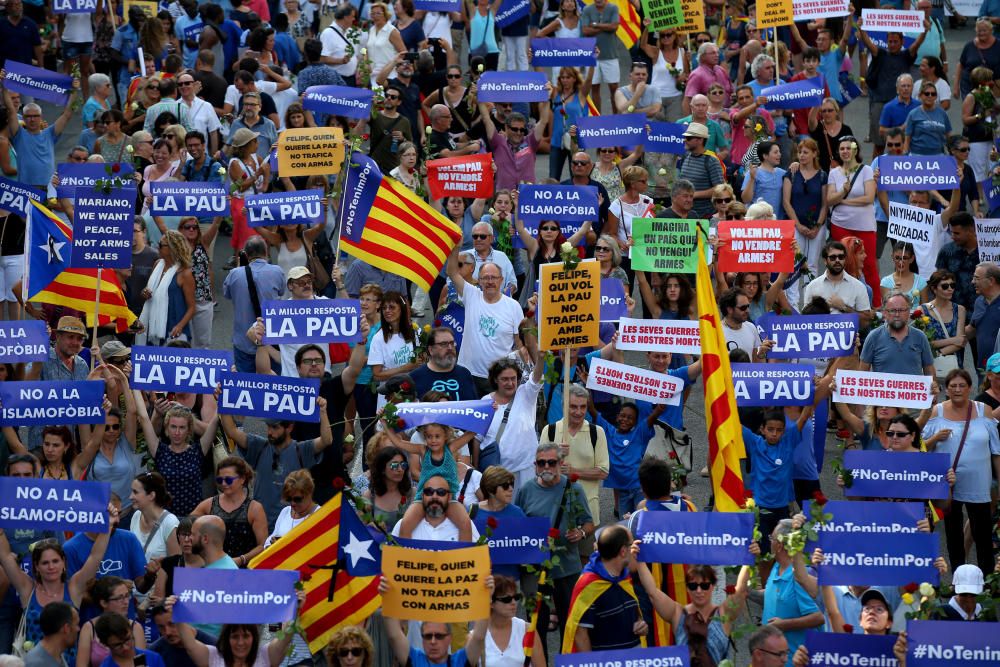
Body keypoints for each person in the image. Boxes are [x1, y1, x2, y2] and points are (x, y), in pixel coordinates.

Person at [515, 443, 594, 647]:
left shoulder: (574, 489)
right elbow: (518, 525)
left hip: (566, 568)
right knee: (536, 623)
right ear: (535, 465)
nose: (546, 467)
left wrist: (581, 532)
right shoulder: (526, 490)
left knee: (569, 624)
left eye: (551, 462)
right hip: (535, 568)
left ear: (560, 463)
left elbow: (588, 521)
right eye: (542, 463)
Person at [922, 368, 1000, 574]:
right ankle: (958, 580)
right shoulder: (936, 412)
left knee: (982, 534)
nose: (957, 389)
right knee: (953, 535)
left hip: (979, 484)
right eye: (953, 386)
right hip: (948, 485)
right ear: (946, 390)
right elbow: (920, 448)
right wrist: (935, 438)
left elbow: (996, 451)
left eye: (962, 385)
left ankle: (987, 583)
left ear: (970, 388)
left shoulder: (984, 410)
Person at [0, 512, 112, 655]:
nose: (51, 567)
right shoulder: (28, 589)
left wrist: (107, 526)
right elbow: (5, 557)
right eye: (45, 563)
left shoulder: (74, 588)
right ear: (37, 567)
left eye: (55, 561)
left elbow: (96, 555)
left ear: (64, 563)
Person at [219, 391, 332, 529]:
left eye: (275, 427)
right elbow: (231, 431)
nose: (269, 432)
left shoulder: (301, 450)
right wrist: (222, 401)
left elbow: (327, 440)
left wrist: (323, 412)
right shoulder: (259, 446)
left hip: (291, 525)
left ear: (289, 427)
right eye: (268, 427)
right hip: (260, 525)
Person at [446, 244, 524, 397]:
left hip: (498, 378)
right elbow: (451, 272)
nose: (490, 281)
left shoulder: (513, 306)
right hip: (468, 374)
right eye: (485, 278)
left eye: (494, 277)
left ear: (501, 280)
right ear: (479, 281)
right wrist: (456, 246)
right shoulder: (471, 294)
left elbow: (519, 343)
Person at [562, 525, 645, 653]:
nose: (634, 547)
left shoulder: (624, 577)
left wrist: (641, 624)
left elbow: (634, 614)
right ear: (623, 551)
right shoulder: (589, 584)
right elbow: (580, 634)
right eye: (631, 544)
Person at [538, 385, 608, 523]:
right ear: (564, 406)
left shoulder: (597, 432)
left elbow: (603, 472)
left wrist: (574, 472)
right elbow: (540, 471)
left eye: (583, 407)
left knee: (586, 544)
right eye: (573, 407)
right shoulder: (550, 430)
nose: (579, 412)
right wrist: (555, 457)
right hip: (555, 508)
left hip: (587, 510)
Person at [825, 137, 880, 307]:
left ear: (855, 150)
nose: (845, 152)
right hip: (840, 225)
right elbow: (829, 199)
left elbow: (869, 198)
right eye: (842, 149)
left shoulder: (866, 170)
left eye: (849, 148)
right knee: (844, 263)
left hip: (865, 226)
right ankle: (847, 303)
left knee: (869, 264)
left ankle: (876, 305)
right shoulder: (834, 173)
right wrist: (843, 191)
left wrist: (845, 201)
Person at [2, 76, 79, 190]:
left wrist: (74, 91)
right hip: (25, 188)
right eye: (28, 116)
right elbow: (11, 110)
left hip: (48, 187)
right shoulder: (18, 134)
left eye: (35, 116)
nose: (32, 119)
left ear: (41, 117)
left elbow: (67, 114)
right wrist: (3, 85)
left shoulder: (50, 133)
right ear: (23, 117)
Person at [190, 457, 268, 568]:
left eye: (228, 480)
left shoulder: (254, 508)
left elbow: (263, 545)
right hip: (214, 568)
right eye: (219, 480)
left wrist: (242, 559)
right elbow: (187, 526)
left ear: (242, 479)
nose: (224, 483)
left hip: (244, 570)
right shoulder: (208, 504)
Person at [223, 236, 285, 373]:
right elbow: (281, 291)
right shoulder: (277, 271)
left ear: (246, 254)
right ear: (266, 252)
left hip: (243, 341)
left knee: (245, 385)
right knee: (272, 384)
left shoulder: (234, 274)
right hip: (270, 341)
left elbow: (227, 294)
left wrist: (239, 267)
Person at [859, 293, 935, 377]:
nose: (897, 315)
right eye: (892, 310)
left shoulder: (920, 336)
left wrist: (933, 386)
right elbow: (863, 372)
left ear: (909, 312)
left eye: (901, 310)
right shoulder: (874, 337)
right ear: (884, 313)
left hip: (912, 390)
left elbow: (929, 368)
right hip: (884, 390)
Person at [479, 104, 550, 192]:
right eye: (515, 129)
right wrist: (480, 98)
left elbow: (543, 121)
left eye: (522, 130)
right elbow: (486, 120)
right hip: (504, 198)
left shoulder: (531, 142)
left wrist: (546, 100)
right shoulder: (498, 142)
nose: (519, 133)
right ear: (506, 128)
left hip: (527, 194)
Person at [409, 327, 478, 402]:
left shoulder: (464, 373)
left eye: (452, 343)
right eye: (443, 344)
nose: (450, 348)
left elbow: (474, 405)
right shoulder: (415, 377)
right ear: (431, 350)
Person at [128, 472, 180, 563]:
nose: (130, 497)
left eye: (135, 492)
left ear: (151, 495)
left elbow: (176, 565)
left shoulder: (170, 522)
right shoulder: (136, 516)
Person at [580, 0, 620, 112]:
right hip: (592, 57)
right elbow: (585, 30)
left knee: (614, 88)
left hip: (610, 55)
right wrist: (606, 27)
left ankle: (616, 118)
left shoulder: (613, 8)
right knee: (594, 88)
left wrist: (596, 25)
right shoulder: (587, 10)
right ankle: (598, 118)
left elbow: (614, 27)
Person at [679, 123, 725, 219]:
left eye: (688, 138)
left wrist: (695, 195)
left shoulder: (711, 161)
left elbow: (720, 189)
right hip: (685, 215)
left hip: (705, 216)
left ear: (700, 140)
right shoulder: (686, 156)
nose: (684, 140)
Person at [148, 605, 216, 667]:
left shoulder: (214, 646)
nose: (168, 632)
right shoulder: (154, 652)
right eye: (161, 627)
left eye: (172, 624)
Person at [967, 262, 1000, 376]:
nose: (972, 282)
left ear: (991, 281)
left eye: (976, 278)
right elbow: (973, 329)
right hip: (984, 370)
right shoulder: (979, 302)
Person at [23, 602, 78, 667]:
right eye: (76, 624)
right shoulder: (36, 663)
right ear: (67, 628)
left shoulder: (57, 656)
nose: (78, 629)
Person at [905, 81, 952, 155]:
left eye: (933, 94)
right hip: (917, 155)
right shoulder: (913, 114)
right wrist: (905, 156)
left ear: (936, 97)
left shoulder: (942, 113)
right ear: (920, 96)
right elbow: (907, 138)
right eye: (927, 94)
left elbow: (948, 135)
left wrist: (952, 153)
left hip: (938, 155)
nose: (930, 96)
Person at [807, 98, 853, 173]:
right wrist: (817, 100)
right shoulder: (818, 127)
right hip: (821, 172)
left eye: (830, 110)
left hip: (842, 170)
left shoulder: (846, 130)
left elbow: (853, 150)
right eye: (824, 111)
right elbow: (811, 120)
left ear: (836, 111)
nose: (827, 113)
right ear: (820, 113)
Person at [684, 42, 731, 115]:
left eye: (717, 52)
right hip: (706, 117)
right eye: (712, 53)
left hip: (726, 115)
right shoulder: (696, 74)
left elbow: (730, 91)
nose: (717, 55)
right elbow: (688, 101)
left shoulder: (721, 70)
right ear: (702, 56)